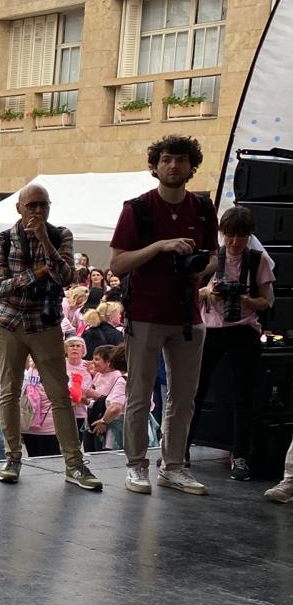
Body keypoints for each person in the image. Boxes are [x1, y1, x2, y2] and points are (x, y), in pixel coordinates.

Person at [108, 135, 217, 496]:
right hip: (145, 313)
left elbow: (214, 256)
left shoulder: (202, 208)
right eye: (167, 159)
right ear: (155, 166)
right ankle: (137, 466)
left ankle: (173, 466)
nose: (174, 165)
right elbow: (118, 262)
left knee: (184, 396)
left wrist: (203, 269)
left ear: (191, 166)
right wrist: (160, 246)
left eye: (181, 160)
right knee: (140, 395)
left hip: (188, 315)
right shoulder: (137, 208)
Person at [0, 182, 102, 491]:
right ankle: (12, 458)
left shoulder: (60, 235)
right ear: (19, 208)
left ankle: (74, 464)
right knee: (9, 390)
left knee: (59, 394)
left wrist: (44, 244)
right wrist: (37, 274)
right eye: (32, 205)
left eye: (43, 205)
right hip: (9, 324)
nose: (38, 211)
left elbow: (65, 277)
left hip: (45, 324)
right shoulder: (1, 240)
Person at [188, 206, 275, 482]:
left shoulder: (258, 260)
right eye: (229, 236)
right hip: (212, 329)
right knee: (195, 391)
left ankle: (240, 456)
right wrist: (209, 293)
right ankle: (181, 448)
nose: (234, 242)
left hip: (243, 330)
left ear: (248, 236)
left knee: (243, 395)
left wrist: (245, 300)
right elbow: (194, 291)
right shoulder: (213, 258)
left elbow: (267, 300)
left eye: (240, 236)